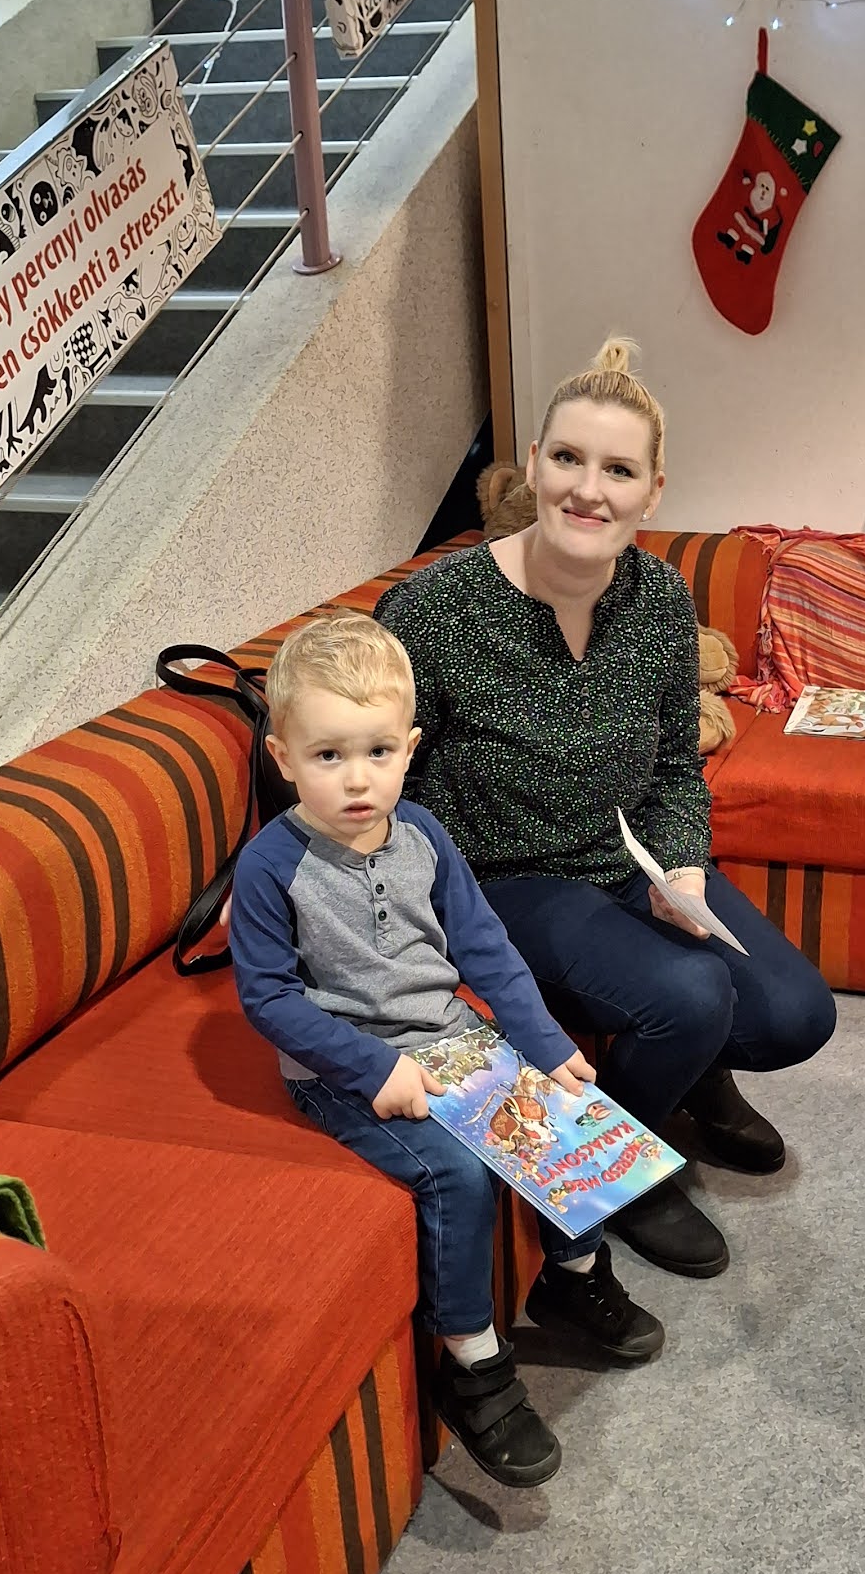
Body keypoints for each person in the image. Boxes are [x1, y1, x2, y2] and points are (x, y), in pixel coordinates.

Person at [376, 338, 837, 1279]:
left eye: (618, 470)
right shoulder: (432, 612)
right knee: (691, 995)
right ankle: (624, 1166)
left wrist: (684, 867)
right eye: (568, 459)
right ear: (533, 466)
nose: (589, 490)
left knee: (796, 1015)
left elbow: (672, 766)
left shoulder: (659, 598)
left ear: (652, 492)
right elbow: (384, 787)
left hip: (623, 858)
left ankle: (693, 1071)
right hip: (493, 881)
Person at [229, 612, 664, 1492]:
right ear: (283, 758)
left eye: (378, 752)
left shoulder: (424, 832)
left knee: (561, 1117)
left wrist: (544, 1045)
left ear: (410, 748)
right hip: (347, 1066)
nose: (358, 779)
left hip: (453, 1035)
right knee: (455, 1174)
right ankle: (472, 1362)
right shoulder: (270, 866)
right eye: (328, 756)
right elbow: (268, 999)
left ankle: (575, 1274)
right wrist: (375, 1069)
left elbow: (484, 946)